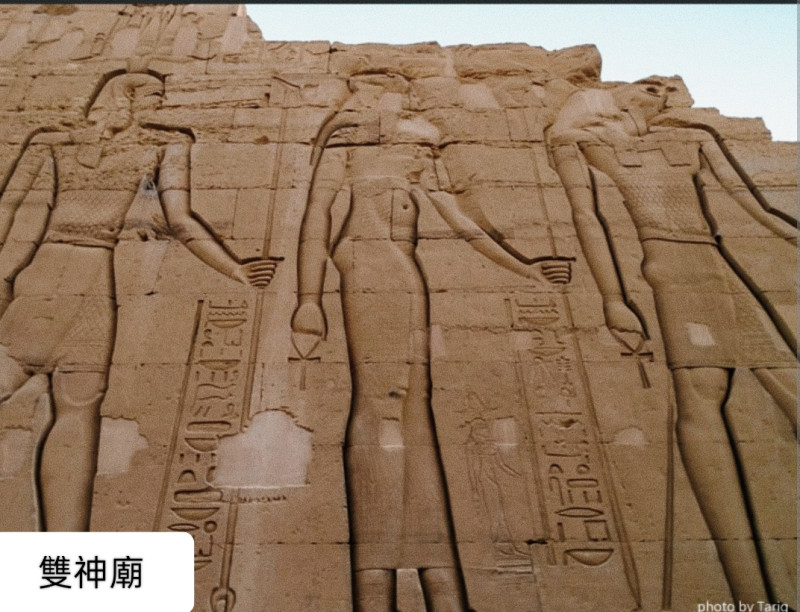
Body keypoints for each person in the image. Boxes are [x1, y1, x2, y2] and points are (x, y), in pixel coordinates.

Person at [291, 72, 571, 612]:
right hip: (371, 268)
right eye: (421, 149)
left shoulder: (414, 180)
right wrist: (308, 299)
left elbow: (466, 226)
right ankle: (377, 567)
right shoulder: (351, 150)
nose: (428, 158)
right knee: (383, 405)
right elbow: (315, 219)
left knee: (413, 416)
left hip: (404, 275)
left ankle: (430, 560)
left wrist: (528, 270)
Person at [547, 78, 797, 606]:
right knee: (702, 400)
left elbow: (758, 210)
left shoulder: (691, 139)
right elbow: (586, 218)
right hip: (673, 273)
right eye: (649, 84)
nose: (660, 91)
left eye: (667, 87)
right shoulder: (580, 143)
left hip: (719, 267)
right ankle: (750, 593)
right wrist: (613, 299)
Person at [0, 71, 277, 531]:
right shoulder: (58, 142)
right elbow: (13, 218)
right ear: (123, 98)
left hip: (81, 281)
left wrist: (235, 269)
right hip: (60, 280)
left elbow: (181, 220)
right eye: (152, 96)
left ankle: (65, 547)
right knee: (72, 407)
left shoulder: (157, 145)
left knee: (79, 410)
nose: (159, 105)